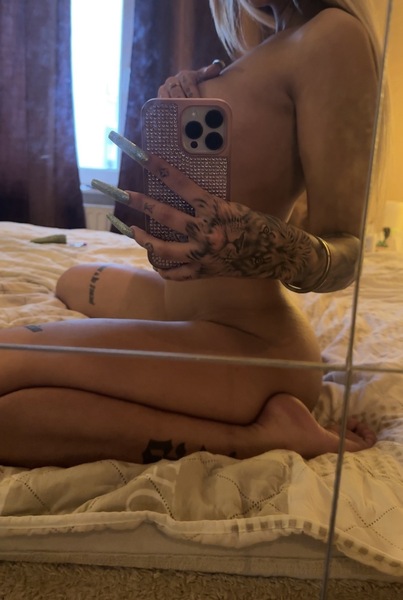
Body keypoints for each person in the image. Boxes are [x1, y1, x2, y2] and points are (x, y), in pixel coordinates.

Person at [0, 0, 382, 468]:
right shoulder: (259, 50)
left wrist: (265, 242)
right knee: (72, 280)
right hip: (178, 303)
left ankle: (265, 436)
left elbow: (348, 252)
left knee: (8, 382)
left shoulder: (333, 35)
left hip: (249, 337)